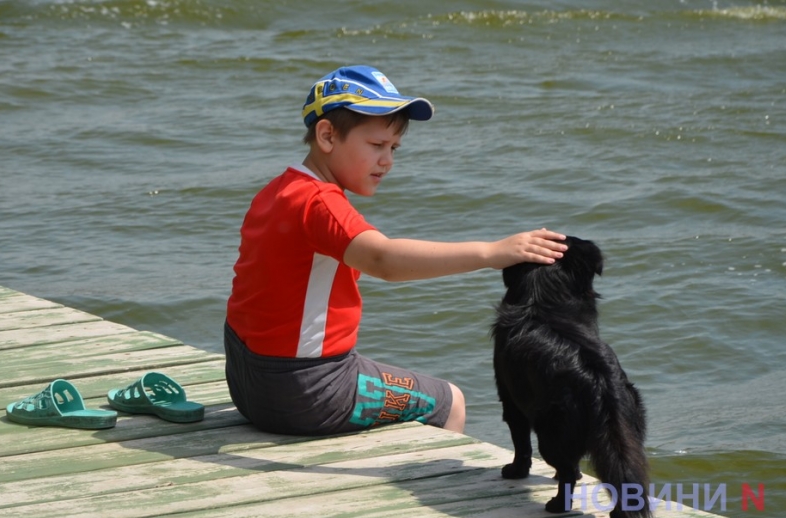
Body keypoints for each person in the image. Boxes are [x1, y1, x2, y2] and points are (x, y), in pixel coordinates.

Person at [224, 65, 566, 437]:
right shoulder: (320, 203)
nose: (387, 161)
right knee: (449, 401)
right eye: (376, 146)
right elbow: (383, 260)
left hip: (248, 383)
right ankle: (442, 491)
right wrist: (492, 253)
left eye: (393, 148)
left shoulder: (276, 191)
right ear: (326, 136)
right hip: (306, 392)